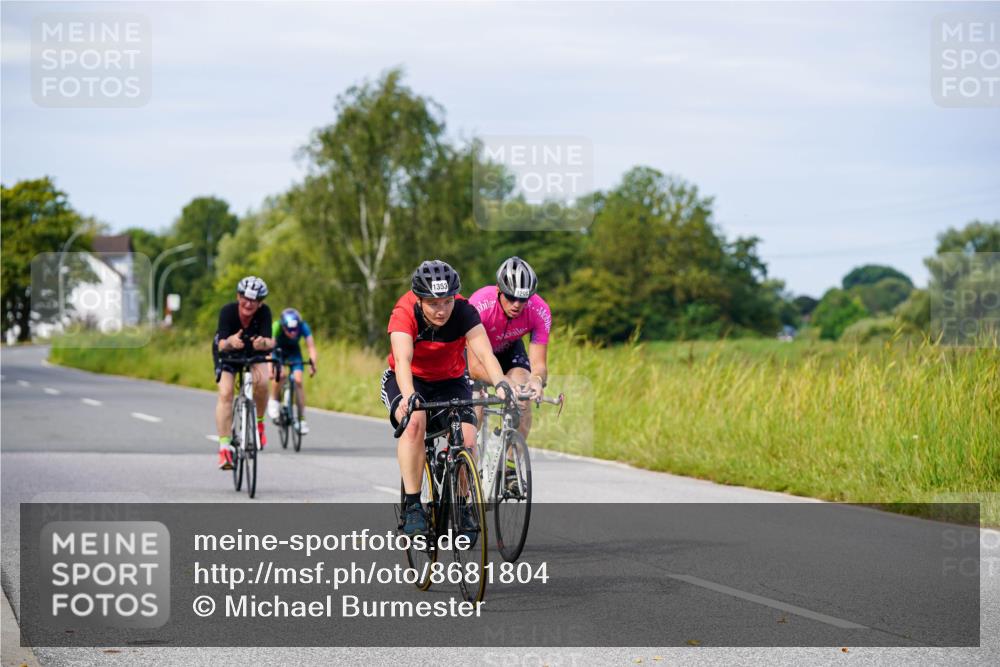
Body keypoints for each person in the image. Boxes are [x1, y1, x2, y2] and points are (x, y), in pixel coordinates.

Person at [381, 260, 511, 536]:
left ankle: (461, 504)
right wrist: (409, 396)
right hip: (409, 379)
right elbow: (402, 361)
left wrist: (501, 383)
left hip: (450, 381)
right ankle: (414, 505)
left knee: (467, 438)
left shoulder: (464, 312)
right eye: (433, 304)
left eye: (447, 302)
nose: (441, 311)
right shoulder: (404, 312)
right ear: (419, 300)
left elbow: (486, 354)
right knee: (414, 421)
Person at [213, 276, 275, 469]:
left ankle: (259, 423)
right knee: (226, 393)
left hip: (253, 352)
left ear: (260, 302)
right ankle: (224, 448)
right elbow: (222, 343)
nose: (248, 304)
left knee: (263, 382)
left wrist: (263, 343)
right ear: (238, 296)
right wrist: (230, 341)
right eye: (244, 298)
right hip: (228, 353)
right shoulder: (228, 312)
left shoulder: (265, 313)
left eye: (254, 301)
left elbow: (270, 342)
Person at [267, 308, 317, 435]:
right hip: (278, 352)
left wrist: (312, 364)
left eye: (295, 330)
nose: (293, 333)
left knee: (299, 381)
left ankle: (301, 420)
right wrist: (270, 367)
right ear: (283, 326)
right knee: (281, 375)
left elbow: (311, 346)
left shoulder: (303, 326)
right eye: (289, 330)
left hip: (294, 352)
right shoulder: (276, 326)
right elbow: (268, 348)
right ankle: (274, 400)